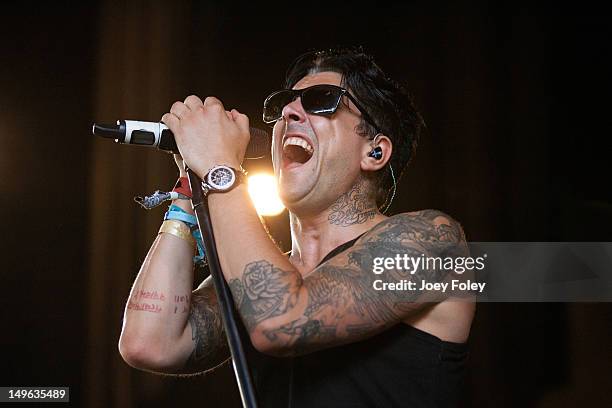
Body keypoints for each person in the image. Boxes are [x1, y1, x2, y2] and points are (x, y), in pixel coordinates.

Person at [119, 47, 475, 407]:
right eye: (284, 104)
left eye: (322, 101)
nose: (289, 113)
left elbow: (280, 320)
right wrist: (190, 183)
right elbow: (149, 343)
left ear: (375, 152)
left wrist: (220, 168)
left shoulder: (431, 241)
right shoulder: (253, 275)